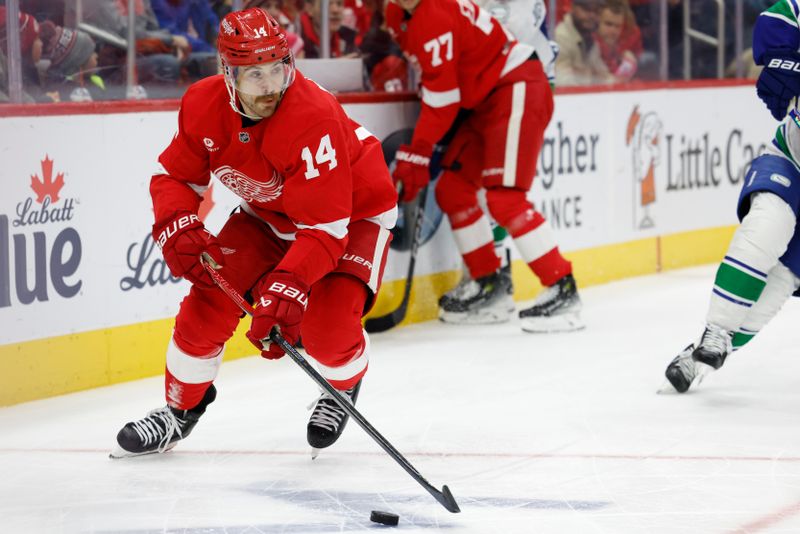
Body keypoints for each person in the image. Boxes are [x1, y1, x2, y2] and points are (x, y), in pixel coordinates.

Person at [111, 7, 397, 458]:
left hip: (353, 216)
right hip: (269, 216)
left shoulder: (313, 116)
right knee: (207, 303)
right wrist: (176, 221)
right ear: (228, 74)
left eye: (278, 70)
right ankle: (180, 411)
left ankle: (342, 387)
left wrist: (288, 286)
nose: (270, 88)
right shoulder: (203, 104)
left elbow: (324, 229)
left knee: (327, 330)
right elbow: (174, 177)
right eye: (254, 75)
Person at [385, 0, 583, 333]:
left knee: (505, 199)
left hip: (515, 87)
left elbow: (442, 98)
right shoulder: (401, 14)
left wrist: (418, 152)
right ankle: (489, 287)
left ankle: (563, 287)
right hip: (485, 101)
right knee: (453, 189)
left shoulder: (433, 14)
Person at [664, 0, 800, 392]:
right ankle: (715, 331)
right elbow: (776, 20)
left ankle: (699, 356)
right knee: (765, 227)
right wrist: (786, 65)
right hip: (790, 156)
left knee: (781, 283)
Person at [554, 0, 614, 86]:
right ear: (573, 7)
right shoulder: (560, 37)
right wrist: (590, 76)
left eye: (596, 11)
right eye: (587, 9)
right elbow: (562, 82)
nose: (592, 15)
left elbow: (604, 77)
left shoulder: (589, 38)